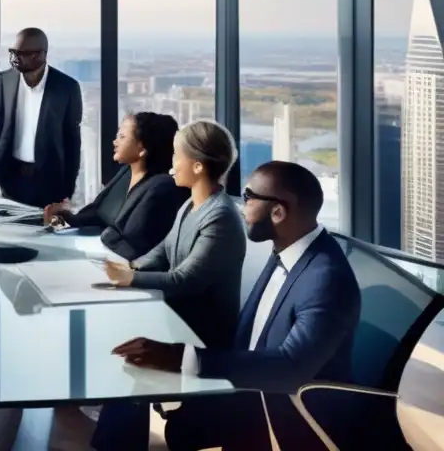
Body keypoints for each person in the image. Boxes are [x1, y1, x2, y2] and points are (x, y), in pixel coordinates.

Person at [100, 161, 361, 450]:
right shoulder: (289, 251)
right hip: (248, 389)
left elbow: (291, 368)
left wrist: (184, 359)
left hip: (285, 415)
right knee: (134, 380)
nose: (241, 207)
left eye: (248, 198)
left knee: (150, 403)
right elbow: (250, 337)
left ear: (278, 212)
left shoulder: (325, 278)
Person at [90, 119, 246, 449]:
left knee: (125, 353)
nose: (171, 164)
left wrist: (130, 278)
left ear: (198, 165)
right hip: (176, 314)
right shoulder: (191, 203)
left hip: (199, 331)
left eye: (176, 156)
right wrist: (131, 266)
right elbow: (163, 251)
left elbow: (186, 279)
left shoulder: (220, 216)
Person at [42, 112, 188, 260]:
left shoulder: (161, 187)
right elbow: (96, 213)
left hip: (123, 268)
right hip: (99, 252)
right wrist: (63, 218)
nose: (115, 142)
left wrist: (102, 237)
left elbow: (133, 245)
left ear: (142, 149)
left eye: (122, 137)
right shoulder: (126, 172)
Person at [0, 28, 82, 207]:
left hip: (49, 183)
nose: (14, 59)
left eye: (21, 54)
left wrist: (68, 191)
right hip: (10, 177)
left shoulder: (67, 88)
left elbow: (72, 142)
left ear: (40, 55)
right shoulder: (5, 80)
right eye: (12, 52)